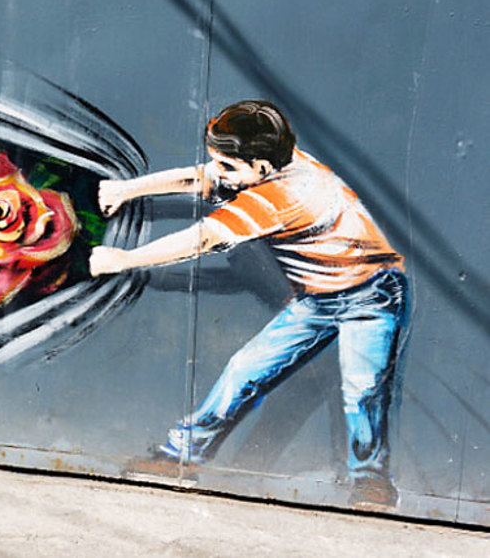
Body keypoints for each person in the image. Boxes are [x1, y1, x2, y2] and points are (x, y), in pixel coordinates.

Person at [90, 100, 409, 509]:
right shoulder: (276, 162)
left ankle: (370, 482)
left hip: (372, 295)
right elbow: (197, 178)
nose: (217, 174)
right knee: (243, 368)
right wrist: (128, 189)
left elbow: (202, 240)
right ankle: (181, 456)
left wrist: (124, 259)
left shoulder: (284, 195)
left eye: (227, 167)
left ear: (259, 168)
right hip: (318, 297)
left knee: (362, 389)